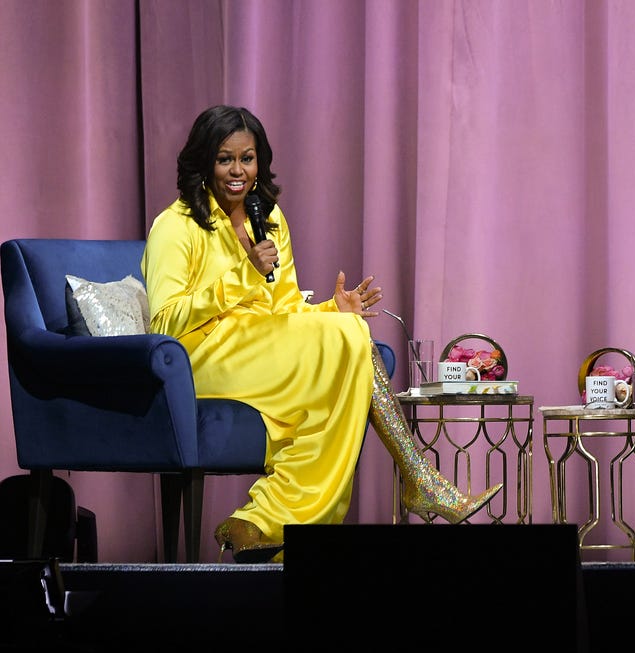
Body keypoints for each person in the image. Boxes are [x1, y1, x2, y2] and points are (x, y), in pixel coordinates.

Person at [142, 105, 501, 563]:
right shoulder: (176, 225)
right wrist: (241, 275)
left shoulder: (268, 218)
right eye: (225, 159)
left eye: (247, 159)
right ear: (203, 162)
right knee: (348, 339)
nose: (238, 171)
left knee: (347, 334)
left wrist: (333, 309)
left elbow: (285, 308)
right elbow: (166, 323)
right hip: (201, 357)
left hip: (259, 350)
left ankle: (263, 523)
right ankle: (418, 478)